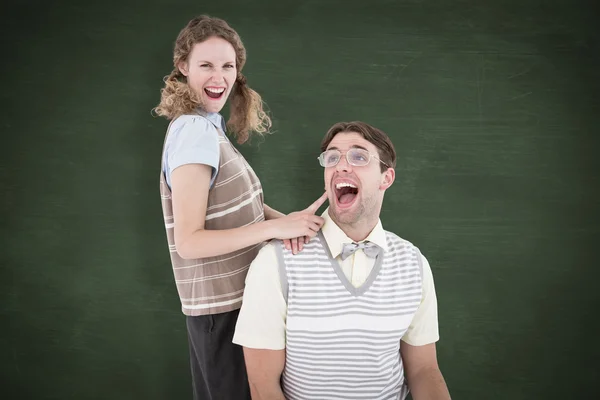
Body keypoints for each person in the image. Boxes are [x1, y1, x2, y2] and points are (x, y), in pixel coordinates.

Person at [153, 15, 327, 400]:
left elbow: (244, 209)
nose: (219, 77)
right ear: (183, 67)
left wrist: (298, 224)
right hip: (222, 313)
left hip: (238, 305)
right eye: (206, 65)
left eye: (228, 66)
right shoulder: (193, 132)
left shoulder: (207, 126)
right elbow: (190, 242)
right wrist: (274, 230)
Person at [232, 121, 452, 399]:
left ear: (387, 178)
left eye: (359, 156)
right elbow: (262, 384)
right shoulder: (276, 262)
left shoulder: (413, 264)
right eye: (332, 157)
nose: (342, 166)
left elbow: (423, 370)